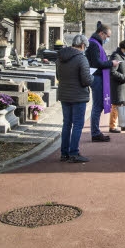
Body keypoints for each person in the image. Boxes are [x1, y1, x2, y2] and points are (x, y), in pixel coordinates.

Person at [57, 34, 94, 163]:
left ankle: (64, 153)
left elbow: (58, 75)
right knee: (78, 124)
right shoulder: (81, 59)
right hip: (78, 95)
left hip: (64, 94)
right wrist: (93, 77)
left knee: (67, 123)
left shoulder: (60, 57)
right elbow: (86, 80)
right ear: (83, 45)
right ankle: (74, 153)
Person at [86, 24, 120, 142]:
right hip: (97, 77)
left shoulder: (95, 43)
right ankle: (95, 133)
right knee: (97, 106)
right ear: (101, 33)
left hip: (97, 76)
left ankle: (96, 132)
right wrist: (112, 63)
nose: (107, 39)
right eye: (107, 36)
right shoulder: (94, 44)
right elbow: (97, 63)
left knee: (98, 106)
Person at [109, 39, 125, 133]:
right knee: (116, 105)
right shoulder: (116, 56)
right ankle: (112, 126)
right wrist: (124, 77)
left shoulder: (124, 56)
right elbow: (112, 72)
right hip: (118, 85)